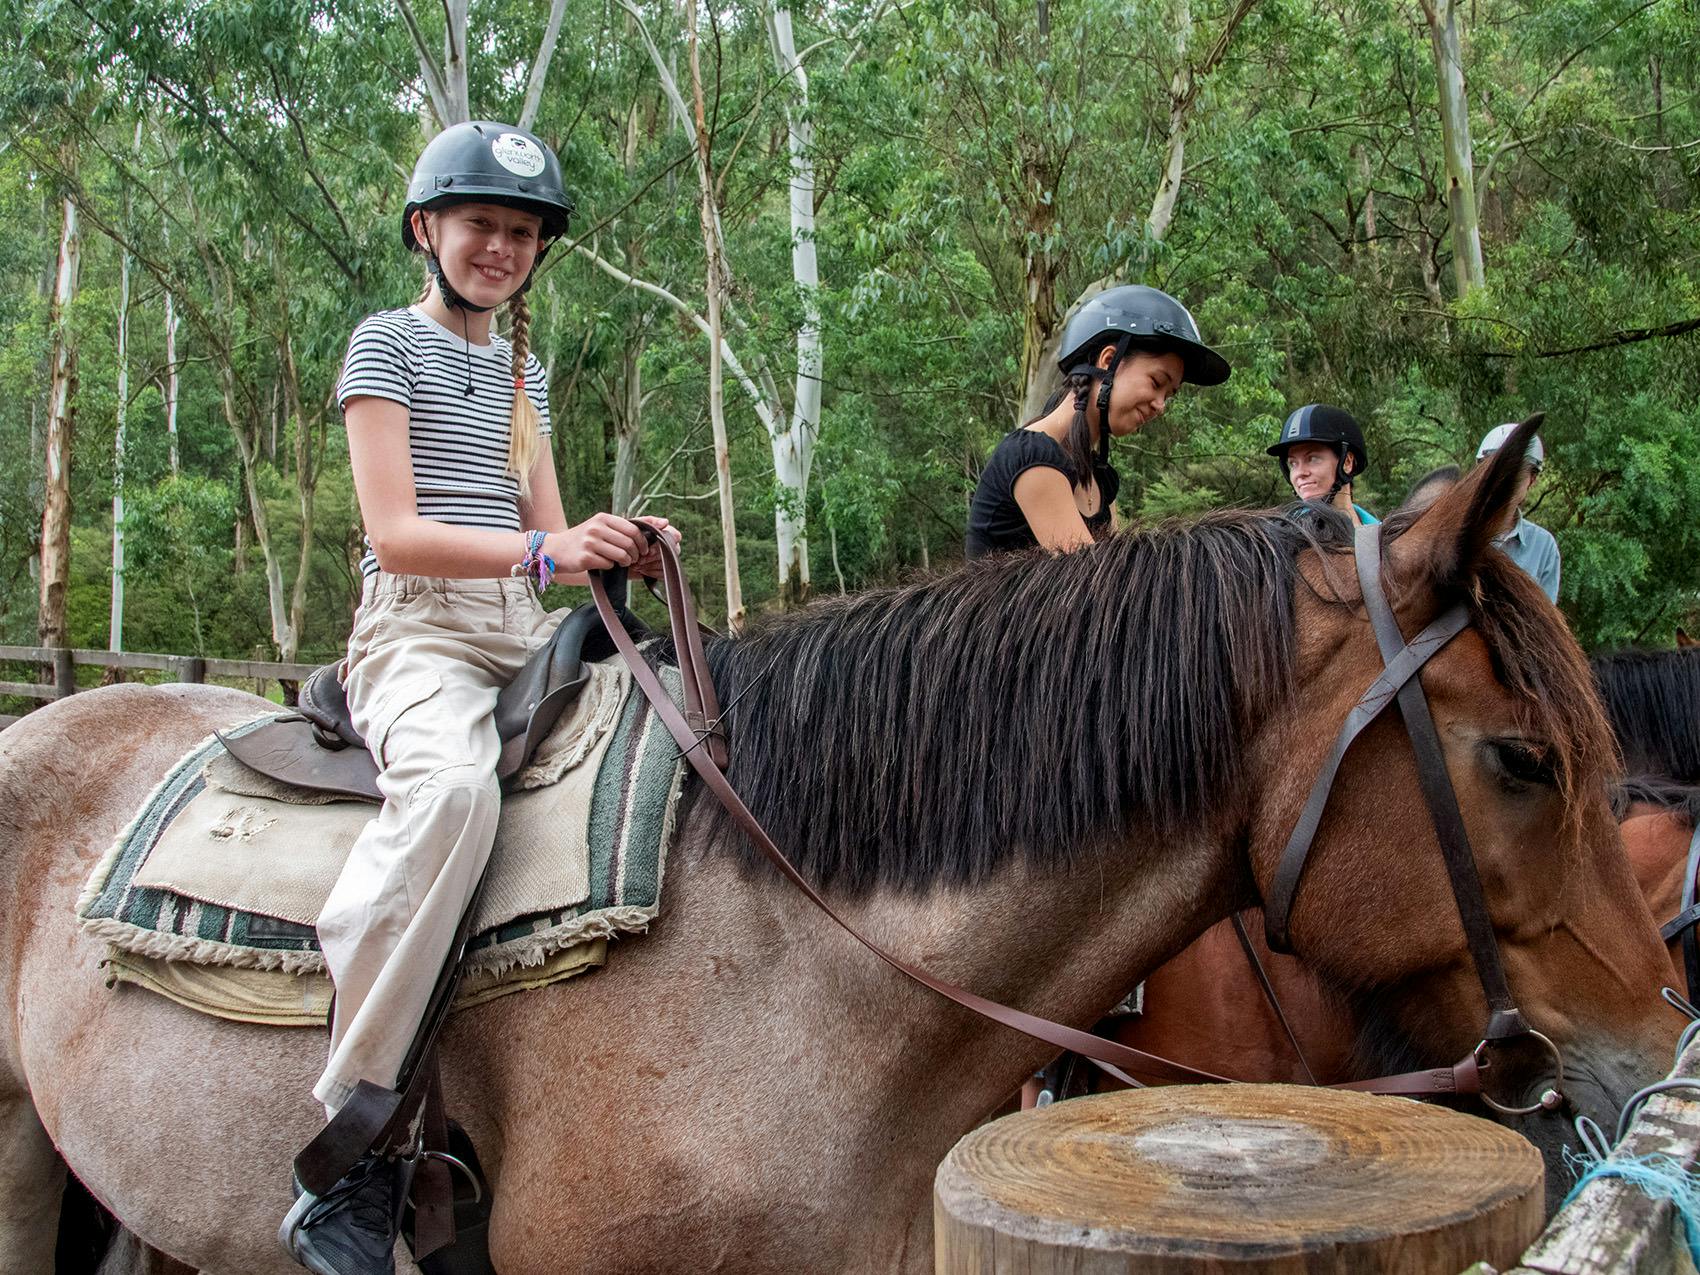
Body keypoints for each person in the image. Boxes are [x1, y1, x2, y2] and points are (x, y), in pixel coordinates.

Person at [279, 121, 676, 1274]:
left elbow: (544, 525)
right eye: (479, 226)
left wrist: (613, 547)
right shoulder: (381, 346)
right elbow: (396, 535)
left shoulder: (521, 370)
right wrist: (545, 555)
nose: (500, 247)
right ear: (427, 231)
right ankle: (351, 1148)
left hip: (526, 623)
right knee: (453, 794)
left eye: (520, 232)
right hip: (422, 635)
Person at [965, 285, 1231, 557]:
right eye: (1156, 382)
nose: (1161, 406)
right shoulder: (1032, 457)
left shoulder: (1101, 478)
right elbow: (1092, 584)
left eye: (1169, 396)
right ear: (1108, 360)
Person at [1476, 422, 1560, 602]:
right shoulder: (1454, 535)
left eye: (1517, 472)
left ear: (1532, 479)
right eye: (1496, 470)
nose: (1505, 480)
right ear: (1480, 473)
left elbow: (1543, 623)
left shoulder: (1543, 546)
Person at [1267, 404, 1378, 525]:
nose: (1299, 473)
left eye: (1312, 459)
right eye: (1293, 463)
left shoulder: (1385, 536)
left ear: (1347, 462)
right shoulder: (1281, 536)